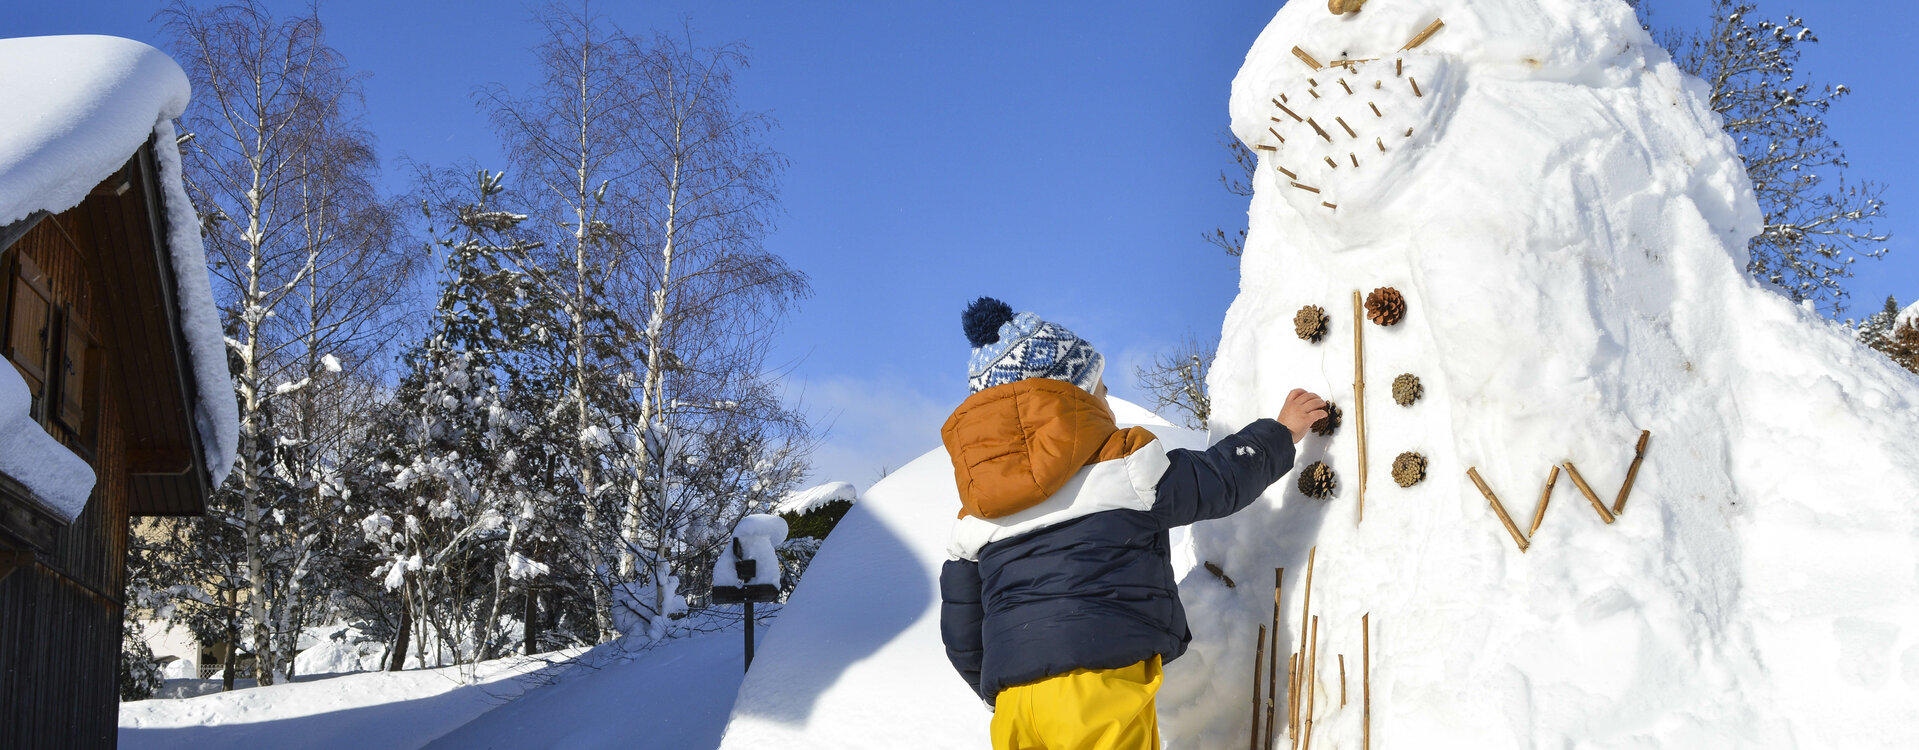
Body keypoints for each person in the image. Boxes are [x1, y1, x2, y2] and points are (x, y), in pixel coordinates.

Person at [939, 297, 1328, 750]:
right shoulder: (1121, 469)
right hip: (1099, 685)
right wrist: (1280, 432)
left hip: (1015, 704)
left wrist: (1007, 679)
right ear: (1070, 401)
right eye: (1100, 389)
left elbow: (962, 632)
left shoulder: (976, 516)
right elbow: (1218, 480)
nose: (1107, 399)